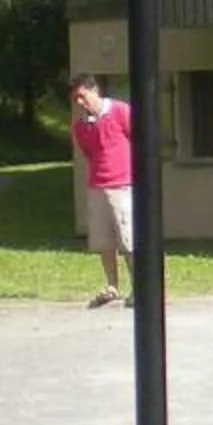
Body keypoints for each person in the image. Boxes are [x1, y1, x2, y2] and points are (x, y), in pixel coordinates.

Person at [68, 73, 134, 308]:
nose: (79, 103)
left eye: (82, 96)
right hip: (97, 186)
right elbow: (90, 154)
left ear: (94, 90)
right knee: (104, 242)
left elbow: (139, 141)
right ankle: (112, 286)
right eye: (75, 99)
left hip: (123, 185)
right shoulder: (81, 127)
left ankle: (139, 288)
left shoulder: (121, 111)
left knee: (128, 239)